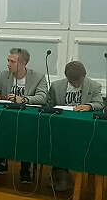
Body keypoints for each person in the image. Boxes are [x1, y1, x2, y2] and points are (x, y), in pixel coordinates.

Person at [0, 48, 48, 181]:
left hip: (27, 119)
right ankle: (0, 163)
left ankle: (25, 169)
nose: (8, 64)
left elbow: (42, 97)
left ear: (23, 63)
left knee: (27, 136)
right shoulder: (3, 75)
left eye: (12, 61)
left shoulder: (38, 77)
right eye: (8, 60)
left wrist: (24, 99)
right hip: (5, 117)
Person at [44, 61, 104, 192]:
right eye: (73, 82)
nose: (76, 85)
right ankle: (59, 174)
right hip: (61, 127)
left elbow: (99, 103)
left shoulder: (94, 86)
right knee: (55, 141)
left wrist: (89, 106)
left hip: (83, 129)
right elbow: (49, 105)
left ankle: (64, 177)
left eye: (79, 82)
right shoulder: (56, 86)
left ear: (84, 76)